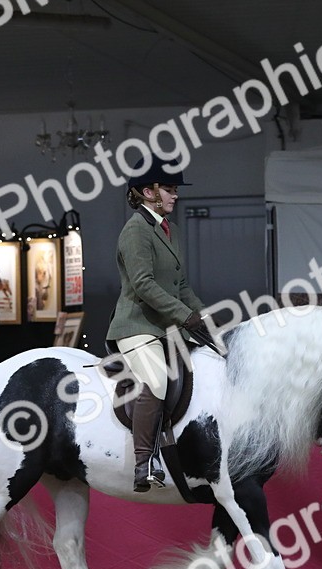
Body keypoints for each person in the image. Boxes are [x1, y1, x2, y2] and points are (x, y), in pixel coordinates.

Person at [107, 157, 207, 492]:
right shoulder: (135, 230)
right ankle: (143, 462)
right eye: (169, 189)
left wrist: (203, 317)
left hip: (167, 326)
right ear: (148, 192)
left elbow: (181, 286)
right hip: (136, 325)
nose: (175, 195)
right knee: (158, 380)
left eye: (175, 189)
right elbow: (143, 284)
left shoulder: (171, 229)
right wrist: (185, 316)